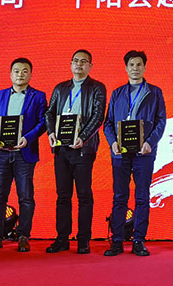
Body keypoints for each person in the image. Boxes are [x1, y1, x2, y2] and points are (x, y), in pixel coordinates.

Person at [0, 58, 48, 253]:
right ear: (10, 74)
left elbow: (43, 122)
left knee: (26, 196)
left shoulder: (39, 96)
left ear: (31, 74)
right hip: (0, 153)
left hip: (23, 153)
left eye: (25, 71)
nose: (20, 74)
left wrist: (28, 138)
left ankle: (24, 236)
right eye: (16, 71)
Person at [103, 51, 167, 257]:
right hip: (120, 154)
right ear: (126, 68)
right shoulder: (117, 93)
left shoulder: (154, 93)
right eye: (131, 65)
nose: (135, 68)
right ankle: (117, 240)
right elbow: (108, 123)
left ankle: (139, 240)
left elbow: (161, 121)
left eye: (139, 65)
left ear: (145, 67)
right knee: (120, 197)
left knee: (142, 197)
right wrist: (113, 142)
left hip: (144, 153)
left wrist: (150, 142)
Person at [45, 50, 107, 254]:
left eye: (83, 61)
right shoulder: (60, 88)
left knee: (84, 195)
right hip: (61, 148)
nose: (79, 65)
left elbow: (98, 116)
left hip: (83, 149)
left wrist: (83, 137)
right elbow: (49, 113)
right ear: (70, 64)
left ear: (90, 66)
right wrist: (51, 132)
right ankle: (62, 238)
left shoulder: (96, 87)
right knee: (63, 195)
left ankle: (83, 240)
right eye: (75, 61)